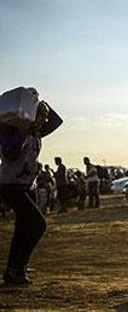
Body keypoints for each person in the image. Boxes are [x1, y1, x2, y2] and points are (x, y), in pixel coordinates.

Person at [0, 99, 63, 284]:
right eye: (41, 116)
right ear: (31, 116)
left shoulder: (37, 133)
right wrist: (21, 129)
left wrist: (36, 101)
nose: (45, 120)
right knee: (38, 224)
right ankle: (18, 266)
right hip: (10, 186)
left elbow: (56, 121)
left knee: (22, 229)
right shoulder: (8, 131)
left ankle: (12, 273)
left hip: (27, 186)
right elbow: (10, 154)